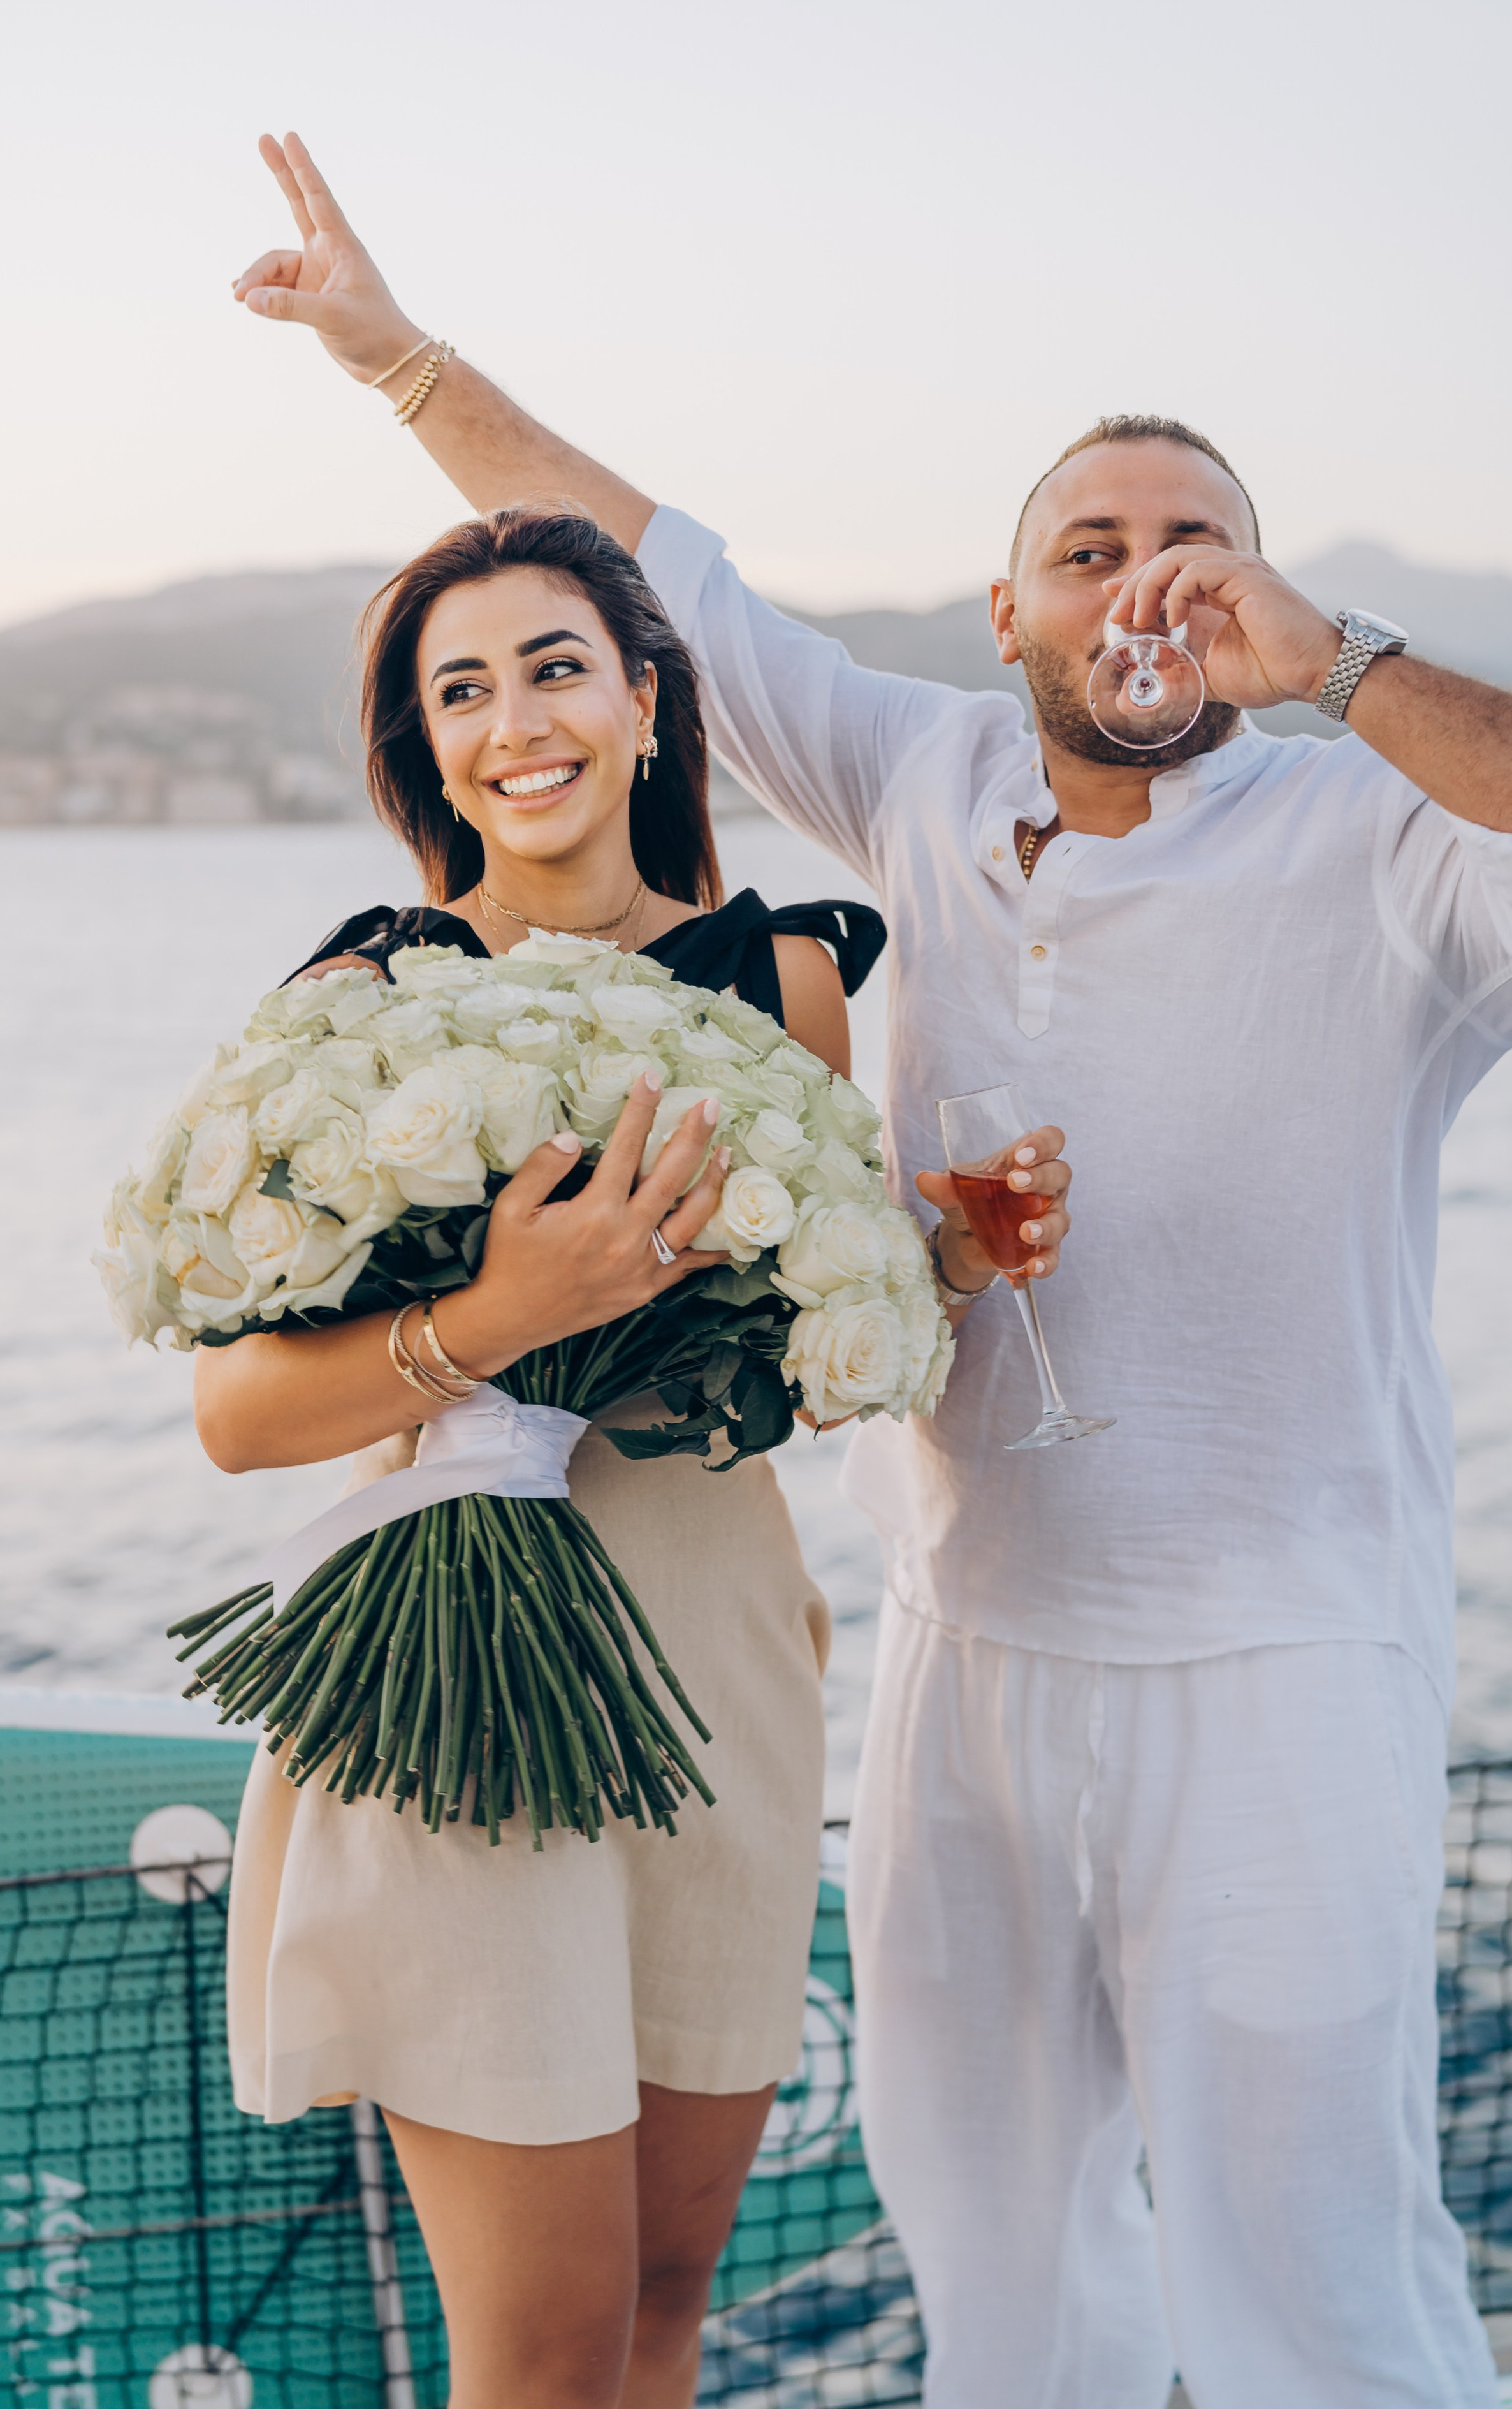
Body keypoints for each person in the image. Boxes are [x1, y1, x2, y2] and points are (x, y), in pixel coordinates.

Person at [229, 131, 1512, 2407]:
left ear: (1266, 591)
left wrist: (1355, 664)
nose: (1149, 581)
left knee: (1310, 2261)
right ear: (1004, 613)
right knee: (990, 2251)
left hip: (1294, 1640)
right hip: (967, 1653)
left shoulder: (1391, 831)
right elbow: (648, 576)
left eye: (1198, 541)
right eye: (1088, 546)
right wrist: (393, 355)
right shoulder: (917, 777)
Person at [194, 489, 1073, 2409]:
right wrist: (496, 1314)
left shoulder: (797, 988)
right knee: (541, 2345)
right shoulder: (366, 999)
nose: (519, 717)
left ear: (648, 705)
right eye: (464, 688)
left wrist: (942, 1265)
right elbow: (240, 1419)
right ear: (426, 748)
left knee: (671, 2300)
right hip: (456, 1691)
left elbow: (803, 1368)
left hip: (718, 1670)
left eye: (559, 667)